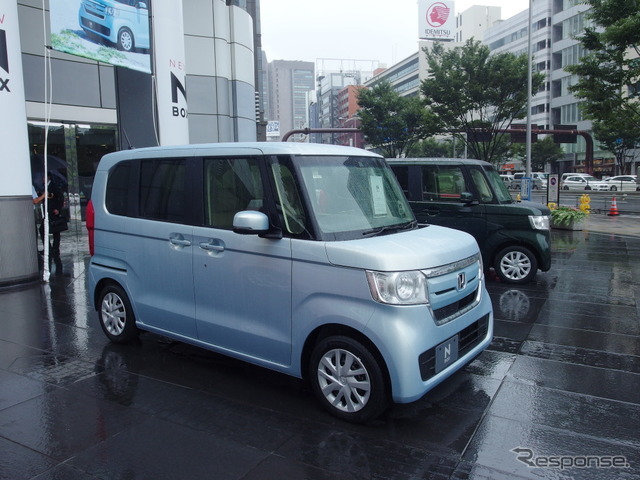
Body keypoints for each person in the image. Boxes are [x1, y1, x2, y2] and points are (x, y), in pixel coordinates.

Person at [33, 172, 67, 266]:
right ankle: (49, 248)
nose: (43, 179)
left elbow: (60, 197)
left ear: (48, 177)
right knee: (45, 229)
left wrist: (58, 209)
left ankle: (54, 248)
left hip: (53, 212)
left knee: (55, 229)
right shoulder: (44, 187)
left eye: (44, 177)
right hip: (47, 211)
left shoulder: (53, 186)